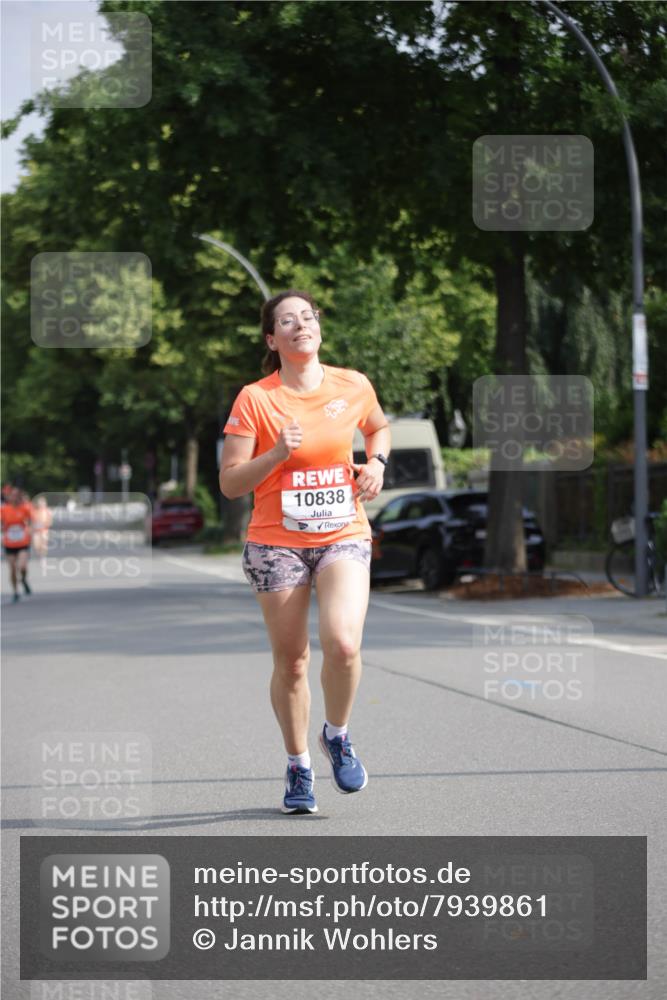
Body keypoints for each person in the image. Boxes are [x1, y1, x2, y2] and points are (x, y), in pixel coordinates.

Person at [220, 290, 391, 814]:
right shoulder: (256, 399)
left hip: (343, 531)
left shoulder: (353, 384)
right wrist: (276, 453)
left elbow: (378, 427)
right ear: (272, 339)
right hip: (276, 542)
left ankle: (336, 735)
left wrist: (377, 462)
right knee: (292, 662)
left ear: (318, 327)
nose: (300, 326)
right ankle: (298, 766)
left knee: (342, 643)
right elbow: (230, 483)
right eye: (286, 321)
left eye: (308, 317)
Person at [1, 486, 34, 602]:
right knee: (13, 569)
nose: (13, 497)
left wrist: (29, 530)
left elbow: (30, 522)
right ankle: (15, 592)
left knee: (22, 566)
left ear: (19, 496)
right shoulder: (4, 509)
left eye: (16, 495)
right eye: (12, 495)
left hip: (22, 542)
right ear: (9, 497)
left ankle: (24, 579)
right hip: (9, 543)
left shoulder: (25, 508)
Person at [31, 495, 53, 568]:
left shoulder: (48, 511)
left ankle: (43, 559)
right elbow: (31, 521)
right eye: (40, 503)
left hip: (44, 530)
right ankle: (39, 555)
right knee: (36, 546)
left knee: (44, 545)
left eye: (43, 503)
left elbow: (50, 521)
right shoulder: (34, 511)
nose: (42, 504)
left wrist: (46, 524)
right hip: (36, 531)